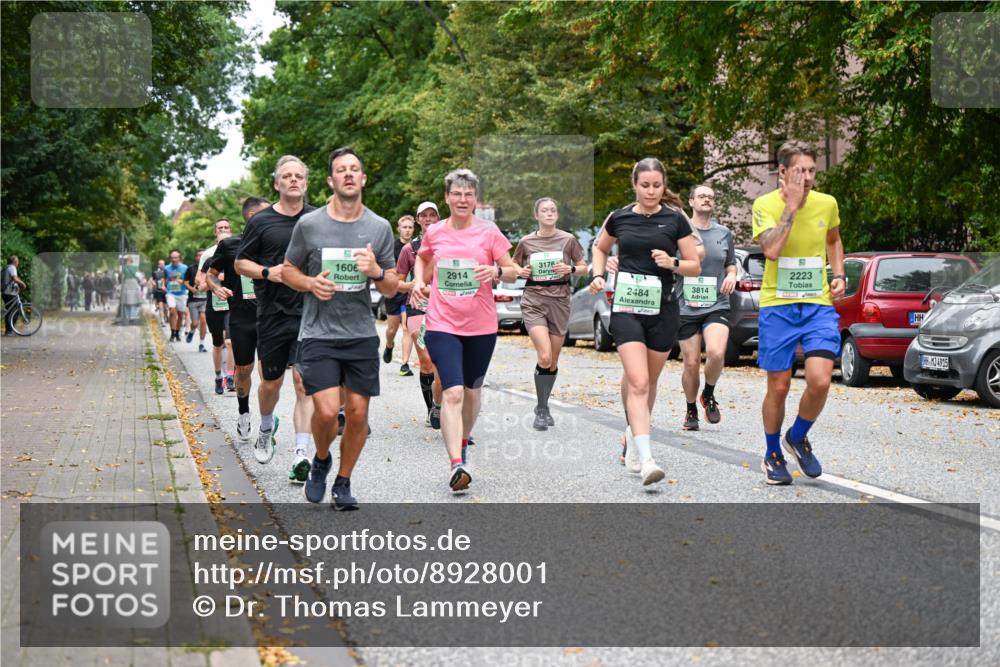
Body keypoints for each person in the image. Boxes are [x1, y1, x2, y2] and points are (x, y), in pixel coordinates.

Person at [284, 147, 398, 509]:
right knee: (328, 412)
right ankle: (321, 460)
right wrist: (309, 284)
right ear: (331, 181)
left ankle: (343, 482)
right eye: (341, 170)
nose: (348, 175)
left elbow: (392, 285)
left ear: (363, 179)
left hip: (361, 332)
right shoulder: (310, 224)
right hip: (318, 332)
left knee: (360, 415)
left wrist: (376, 272)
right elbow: (288, 269)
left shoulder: (379, 228)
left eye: (355, 170)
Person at [590, 158, 701, 486]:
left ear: (663, 185)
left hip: (663, 310)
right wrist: (599, 273)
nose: (651, 191)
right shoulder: (619, 217)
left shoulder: (675, 219)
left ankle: (632, 432)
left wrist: (674, 262)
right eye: (645, 185)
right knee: (638, 381)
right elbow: (599, 247)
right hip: (626, 308)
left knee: (648, 383)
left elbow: (694, 264)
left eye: (657, 185)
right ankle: (646, 456)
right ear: (634, 185)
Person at [410, 169, 519, 493]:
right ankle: (456, 462)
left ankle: (463, 441)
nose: (462, 199)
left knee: (472, 391)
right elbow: (422, 259)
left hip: (482, 326)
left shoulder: (489, 232)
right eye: (456, 194)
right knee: (453, 391)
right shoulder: (436, 232)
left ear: (475, 198)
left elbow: (512, 271)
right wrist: (419, 280)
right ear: (447, 198)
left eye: (468, 194)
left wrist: (496, 270)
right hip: (443, 323)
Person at [752, 140, 845, 485]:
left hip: (817, 304)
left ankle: (798, 435)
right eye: (799, 172)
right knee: (779, 386)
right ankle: (773, 452)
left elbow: (833, 240)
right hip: (778, 305)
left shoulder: (827, 203)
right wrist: (790, 208)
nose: (806, 179)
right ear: (782, 172)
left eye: (811, 172)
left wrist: (837, 274)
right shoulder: (764, 205)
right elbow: (772, 250)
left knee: (820, 380)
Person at [236, 156, 317, 482]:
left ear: (306, 183)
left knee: (303, 383)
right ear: (277, 184)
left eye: (299, 175)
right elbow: (242, 264)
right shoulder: (261, 222)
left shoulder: (318, 219)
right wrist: (270, 273)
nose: (294, 180)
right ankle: (266, 427)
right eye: (287, 176)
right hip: (271, 313)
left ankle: (301, 453)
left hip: (310, 313)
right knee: (271, 383)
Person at [512, 198, 586, 431]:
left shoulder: (568, 240)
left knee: (552, 361)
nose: (549, 213)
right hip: (534, 299)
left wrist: (571, 269)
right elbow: (513, 264)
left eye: (553, 210)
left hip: (560, 300)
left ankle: (542, 405)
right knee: (544, 356)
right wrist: (520, 270)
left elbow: (584, 266)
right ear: (537, 215)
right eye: (544, 210)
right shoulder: (526, 241)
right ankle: (542, 410)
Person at [206, 199, 270, 443]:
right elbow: (211, 276)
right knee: (243, 370)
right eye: (268, 213)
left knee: (270, 374)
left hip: (268, 317)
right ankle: (244, 412)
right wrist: (217, 288)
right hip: (241, 318)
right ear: (252, 216)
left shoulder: (275, 244)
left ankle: (266, 422)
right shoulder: (230, 245)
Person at [676, 184, 737, 431]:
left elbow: (730, 264)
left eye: (711, 197)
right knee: (690, 363)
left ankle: (708, 394)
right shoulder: (679, 233)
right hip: (685, 305)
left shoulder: (724, 233)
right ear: (691, 201)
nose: (707, 200)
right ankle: (691, 408)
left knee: (716, 353)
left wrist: (732, 275)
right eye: (702, 196)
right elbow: (668, 263)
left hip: (717, 303)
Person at [395, 201, 443, 428]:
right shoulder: (409, 249)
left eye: (432, 215)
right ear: (418, 220)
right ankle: (431, 410)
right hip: (418, 306)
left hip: (445, 308)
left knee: (441, 363)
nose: (428, 218)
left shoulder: (449, 245)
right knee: (425, 361)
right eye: (423, 215)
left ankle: (441, 404)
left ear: (439, 218)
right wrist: (413, 284)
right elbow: (396, 282)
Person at [199, 220, 235, 393]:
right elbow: (200, 286)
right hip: (214, 307)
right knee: (217, 344)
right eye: (221, 242)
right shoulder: (208, 261)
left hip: (230, 306)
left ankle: (230, 376)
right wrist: (214, 280)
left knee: (230, 342)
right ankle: (218, 377)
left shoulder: (236, 259)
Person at [382, 215, 416, 376]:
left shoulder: (417, 247)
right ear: (399, 229)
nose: (407, 230)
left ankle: (404, 365)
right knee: (391, 329)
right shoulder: (392, 247)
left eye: (410, 227)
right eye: (405, 227)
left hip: (409, 292)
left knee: (407, 327)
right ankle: (389, 345)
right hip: (393, 292)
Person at [184, 249, 209, 351]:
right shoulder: (191, 269)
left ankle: (201, 344)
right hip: (193, 300)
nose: (200, 257)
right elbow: (185, 282)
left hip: (205, 299)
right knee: (194, 323)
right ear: (196, 257)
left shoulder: (209, 268)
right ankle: (192, 331)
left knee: (203, 320)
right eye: (198, 255)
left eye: (202, 255)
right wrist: (191, 289)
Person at [163, 252, 188, 340]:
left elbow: (187, 280)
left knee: (180, 315)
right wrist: (163, 285)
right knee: (172, 311)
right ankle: (172, 332)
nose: (174, 260)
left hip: (181, 293)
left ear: (179, 258)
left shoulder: (184, 268)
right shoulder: (166, 268)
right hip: (171, 293)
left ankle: (177, 332)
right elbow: (165, 279)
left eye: (176, 258)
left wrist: (182, 281)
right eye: (172, 258)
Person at [3, 255, 27, 335]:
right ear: (15, 262)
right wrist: (22, 283)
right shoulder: (12, 268)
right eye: (18, 261)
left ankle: (9, 330)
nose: (18, 263)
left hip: (6, 292)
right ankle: (9, 331)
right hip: (10, 293)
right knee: (14, 312)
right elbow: (14, 278)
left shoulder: (6, 267)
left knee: (10, 311)